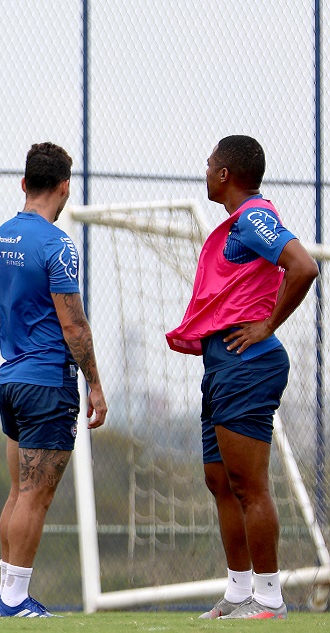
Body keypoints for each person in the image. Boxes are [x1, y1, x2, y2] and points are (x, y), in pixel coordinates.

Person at [166, 135, 317, 620]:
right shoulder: (237, 223)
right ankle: (237, 593)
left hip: (247, 363)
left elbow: (304, 267)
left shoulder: (254, 216)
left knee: (249, 484)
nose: (205, 171)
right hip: (223, 363)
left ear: (226, 174)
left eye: (209, 164)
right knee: (220, 480)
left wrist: (268, 325)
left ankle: (269, 599)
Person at [0, 142, 107, 618]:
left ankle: (6, 595)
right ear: (64, 187)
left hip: (10, 376)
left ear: (23, 184)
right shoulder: (57, 244)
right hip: (46, 383)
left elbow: (1, 311)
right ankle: (14, 598)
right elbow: (73, 324)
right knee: (37, 494)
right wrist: (94, 383)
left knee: (19, 491)